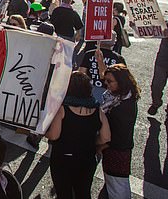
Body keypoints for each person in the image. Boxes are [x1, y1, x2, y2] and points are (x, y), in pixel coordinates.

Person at [45, 71, 111, 199]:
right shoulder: (97, 110)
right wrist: (91, 142)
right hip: (87, 158)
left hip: (63, 158)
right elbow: (106, 137)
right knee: (83, 192)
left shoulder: (63, 109)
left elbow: (54, 135)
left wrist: (43, 132)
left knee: (64, 193)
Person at [101, 64, 141, 199]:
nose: (106, 84)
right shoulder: (121, 97)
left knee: (118, 188)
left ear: (121, 82)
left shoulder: (122, 107)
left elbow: (117, 136)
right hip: (115, 150)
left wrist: (100, 146)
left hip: (117, 152)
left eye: (109, 81)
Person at [78, 33, 126, 103]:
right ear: (113, 42)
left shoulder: (89, 54)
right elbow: (123, 78)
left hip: (91, 90)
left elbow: (81, 73)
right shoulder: (118, 58)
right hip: (110, 92)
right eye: (115, 38)